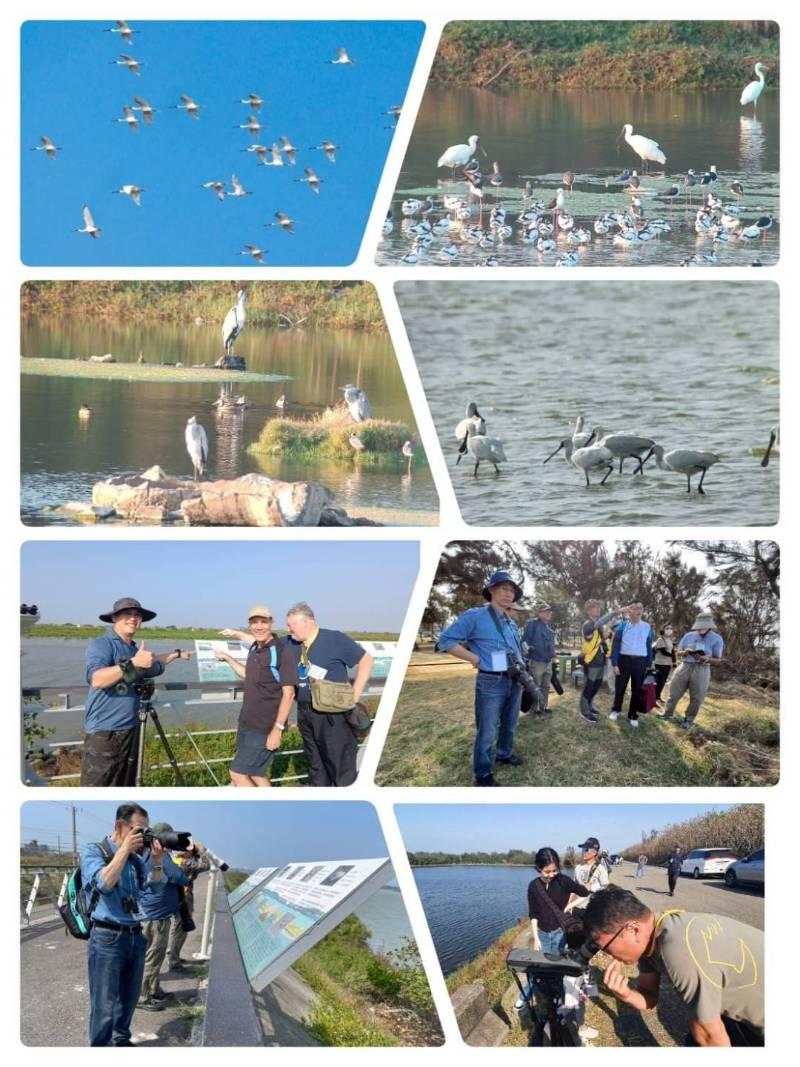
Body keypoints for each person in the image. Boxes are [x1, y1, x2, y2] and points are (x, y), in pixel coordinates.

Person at [584, 886, 764, 1046]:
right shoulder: (653, 936)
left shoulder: (680, 948)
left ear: (633, 929)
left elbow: (709, 1037)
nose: (607, 955)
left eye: (606, 947)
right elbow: (649, 999)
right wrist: (626, 994)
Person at [80, 802, 166, 1046]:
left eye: (145, 831)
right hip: (107, 937)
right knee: (104, 1003)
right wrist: (124, 850)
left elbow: (156, 887)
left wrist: (157, 860)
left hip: (135, 936)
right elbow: (103, 883)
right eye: (138, 830)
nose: (143, 836)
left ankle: (121, 1041)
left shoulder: (137, 860)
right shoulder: (93, 851)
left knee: (128, 999)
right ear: (120, 825)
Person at [82, 597, 193, 787]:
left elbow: (153, 662)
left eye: (137, 615)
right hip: (105, 731)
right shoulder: (103, 644)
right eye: (127, 614)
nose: (133, 618)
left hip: (133, 728)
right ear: (115, 618)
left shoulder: (132, 648)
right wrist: (134, 663)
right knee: (100, 785)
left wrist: (176, 654)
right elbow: (97, 679)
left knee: (127, 783)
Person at [436, 570, 527, 787]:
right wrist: (474, 659)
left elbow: (515, 651)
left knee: (510, 723)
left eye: (512, 590)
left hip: (514, 679)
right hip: (491, 682)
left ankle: (504, 754)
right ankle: (483, 773)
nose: (509, 594)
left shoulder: (510, 622)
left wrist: (523, 670)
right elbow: (445, 641)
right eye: (504, 588)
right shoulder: (475, 616)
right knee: (487, 730)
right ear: (492, 590)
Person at [284, 602, 373, 787]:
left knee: (339, 763)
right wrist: (239, 635)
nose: (288, 630)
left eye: (291, 626)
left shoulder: (334, 639)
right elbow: (266, 642)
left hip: (332, 715)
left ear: (306, 623)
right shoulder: (291, 642)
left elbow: (366, 660)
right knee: (315, 763)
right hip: (305, 713)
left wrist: (354, 696)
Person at [215, 606, 299, 786]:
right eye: (254, 622)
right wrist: (227, 657)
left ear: (272, 623)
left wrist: (277, 730)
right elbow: (247, 674)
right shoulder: (255, 647)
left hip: (265, 728)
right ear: (249, 625)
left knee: (237, 774)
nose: (259, 626)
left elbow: (289, 693)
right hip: (247, 723)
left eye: (264, 622)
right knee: (255, 774)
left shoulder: (282, 652)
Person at [515, 847, 589, 1010]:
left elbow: (585, 892)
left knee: (556, 966)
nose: (551, 875)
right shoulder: (533, 886)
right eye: (546, 871)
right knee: (538, 967)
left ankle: (556, 995)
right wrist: (535, 938)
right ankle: (526, 995)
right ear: (538, 869)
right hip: (542, 932)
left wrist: (570, 904)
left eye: (554, 870)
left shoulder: (563, 881)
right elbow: (533, 914)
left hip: (559, 932)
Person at [137, 822, 191, 1011]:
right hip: (155, 917)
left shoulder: (146, 853)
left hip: (151, 914)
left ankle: (154, 989)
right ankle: (143, 997)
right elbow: (180, 877)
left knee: (155, 956)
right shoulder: (160, 857)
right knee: (153, 956)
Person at [658, 612, 724, 728]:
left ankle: (688, 720)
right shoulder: (689, 636)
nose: (700, 628)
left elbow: (718, 660)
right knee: (674, 692)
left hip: (702, 669)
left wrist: (706, 659)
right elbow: (678, 652)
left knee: (697, 697)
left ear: (709, 625)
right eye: (698, 626)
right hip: (685, 665)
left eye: (702, 626)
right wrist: (686, 652)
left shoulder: (717, 639)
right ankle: (667, 713)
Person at [579, 601, 636, 723]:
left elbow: (603, 638)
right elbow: (601, 622)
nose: (598, 610)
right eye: (594, 608)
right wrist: (617, 612)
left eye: (598, 608)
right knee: (589, 687)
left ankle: (589, 706)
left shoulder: (599, 626)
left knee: (596, 686)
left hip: (600, 660)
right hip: (591, 661)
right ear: (588, 611)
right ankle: (584, 711)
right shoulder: (588, 625)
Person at [166, 840, 210, 971]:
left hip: (180, 897)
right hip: (182, 898)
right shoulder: (185, 862)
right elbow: (205, 865)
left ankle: (173, 955)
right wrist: (202, 851)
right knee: (180, 929)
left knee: (178, 928)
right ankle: (173, 961)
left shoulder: (178, 859)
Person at [609, 603, 653, 727]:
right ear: (629, 611)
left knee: (637, 689)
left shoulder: (647, 627)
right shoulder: (622, 626)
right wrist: (615, 663)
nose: (639, 610)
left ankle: (632, 714)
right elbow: (616, 645)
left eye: (641, 608)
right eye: (635, 608)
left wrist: (649, 663)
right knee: (620, 687)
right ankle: (616, 709)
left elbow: (648, 646)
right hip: (624, 660)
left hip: (640, 662)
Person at [522, 601, 556, 713]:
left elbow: (551, 644)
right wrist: (527, 658)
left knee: (546, 686)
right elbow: (524, 642)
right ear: (539, 613)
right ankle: (534, 708)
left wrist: (553, 656)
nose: (549, 613)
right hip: (536, 661)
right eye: (545, 611)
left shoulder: (549, 627)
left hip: (548, 661)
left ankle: (544, 706)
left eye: (549, 611)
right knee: (536, 685)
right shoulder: (532, 624)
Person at [572, 837, 610, 908]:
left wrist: (593, 887)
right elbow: (573, 888)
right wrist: (569, 903)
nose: (583, 852)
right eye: (583, 849)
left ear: (594, 852)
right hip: (577, 907)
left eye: (586, 850)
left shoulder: (600, 869)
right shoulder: (578, 867)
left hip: (592, 908)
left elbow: (606, 888)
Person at [652, 626, 677, 705]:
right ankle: (654, 699)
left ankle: (658, 697)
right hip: (660, 664)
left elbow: (672, 651)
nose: (669, 630)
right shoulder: (660, 640)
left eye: (670, 628)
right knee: (659, 681)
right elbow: (663, 652)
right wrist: (672, 656)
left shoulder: (669, 640)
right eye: (667, 628)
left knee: (663, 682)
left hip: (667, 664)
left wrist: (674, 662)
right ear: (663, 630)